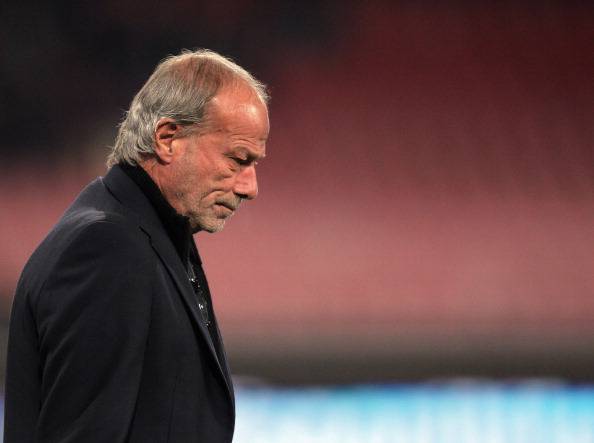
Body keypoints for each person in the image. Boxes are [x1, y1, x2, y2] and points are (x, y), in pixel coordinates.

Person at [4, 49, 270, 443]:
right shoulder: (107, 248)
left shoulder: (152, 238)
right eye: (237, 159)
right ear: (167, 139)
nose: (250, 187)